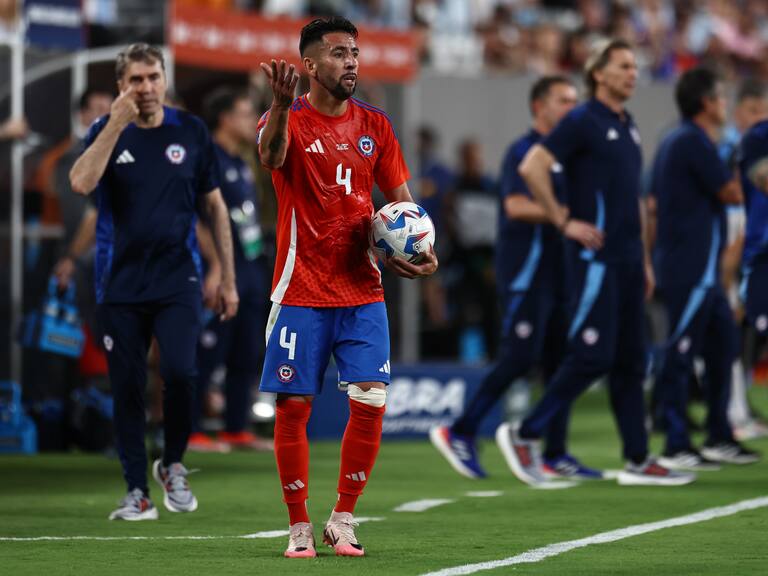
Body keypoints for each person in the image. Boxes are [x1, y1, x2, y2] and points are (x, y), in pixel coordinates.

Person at [256, 17, 438, 558]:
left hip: (362, 289)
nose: (352, 61)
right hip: (300, 289)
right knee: (293, 408)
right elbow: (269, 156)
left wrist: (419, 250)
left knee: (372, 399)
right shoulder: (283, 118)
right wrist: (284, 107)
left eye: (355, 52)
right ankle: (298, 526)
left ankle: (343, 517)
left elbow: (404, 206)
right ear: (309, 65)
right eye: (338, 53)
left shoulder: (376, 125)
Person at [504, 39, 695, 487]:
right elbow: (534, 166)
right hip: (595, 260)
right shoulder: (582, 119)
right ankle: (527, 433)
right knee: (592, 356)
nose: (633, 73)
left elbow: (631, 198)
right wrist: (563, 220)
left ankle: (638, 457)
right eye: (624, 66)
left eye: (635, 66)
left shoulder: (626, 123)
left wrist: (645, 260)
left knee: (633, 361)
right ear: (598, 73)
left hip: (628, 260)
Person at [69, 43, 239, 520]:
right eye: (135, 80)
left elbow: (215, 206)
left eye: (153, 78)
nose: (145, 88)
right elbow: (81, 183)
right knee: (126, 387)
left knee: (183, 374)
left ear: (164, 80)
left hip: (177, 278)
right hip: (118, 282)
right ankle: (136, 492)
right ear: (122, 86)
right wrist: (116, 124)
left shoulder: (191, 130)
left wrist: (226, 276)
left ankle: (174, 462)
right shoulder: (105, 130)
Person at [430, 75, 602, 482]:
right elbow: (515, 206)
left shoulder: (565, 154)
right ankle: (460, 430)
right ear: (539, 106)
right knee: (520, 355)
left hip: (560, 272)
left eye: (575, 100)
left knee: (562, 358)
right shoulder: (524, 152)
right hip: (526, 271)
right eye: (564, 99)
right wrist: (565, 217)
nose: (572, 107)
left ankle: (555, 452)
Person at [651, 67, 759, 470]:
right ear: (705, 103)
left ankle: (718, 433)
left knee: (723, 345)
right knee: (681, 351)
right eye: (720, 97)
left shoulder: (689, 140)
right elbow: (732, 192)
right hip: (688, 264)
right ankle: (675, 439)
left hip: (701, 266)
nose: (725, 104)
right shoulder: (690, 141)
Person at [188, 87, 272, 453]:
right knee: (207, 351)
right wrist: (218, 267)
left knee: (247, 349)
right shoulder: (209, 159)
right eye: (244, 113)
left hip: (250, 267)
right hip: (223, 270)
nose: (251, 121)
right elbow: (195, 218)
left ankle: (236, 428)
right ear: (225, 118)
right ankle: (189, 431)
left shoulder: (241, 160)